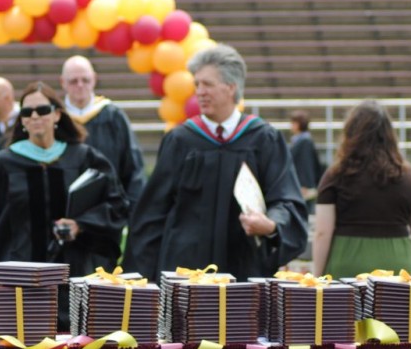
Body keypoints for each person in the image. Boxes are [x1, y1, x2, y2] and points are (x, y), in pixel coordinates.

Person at [122, 43, 309, 282]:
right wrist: (142, 279)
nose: (199, 91)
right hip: (184, 275)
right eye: (196, 84)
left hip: (244, 272)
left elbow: (286, 199)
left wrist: (272, 224)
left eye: (207, 84)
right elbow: (151, 215)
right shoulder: (181, 140)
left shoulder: (263, 139)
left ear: (231, 87)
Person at [0, 81, 130, 331]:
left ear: (57, 114)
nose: (35, 116)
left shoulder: (84, 158)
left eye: (43, 110)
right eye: (27, 112)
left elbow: (117, 205)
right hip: (19, 276)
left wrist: (80, 225)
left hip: (75, 274)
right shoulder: (5, 162)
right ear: (22, 120)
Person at [311, 100, 411, 278]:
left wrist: (317, 276)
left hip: (347, 260)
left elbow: (322, 232)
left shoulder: (335, 175)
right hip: (399, 263)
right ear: (390, 135)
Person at [60, 55, 146, 209]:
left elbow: (133, 167)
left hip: (109, 211)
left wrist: (132, 209)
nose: (80, 85)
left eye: (85, 80)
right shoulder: (56, 119)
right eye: (73, 81)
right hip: (64, 210)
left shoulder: (113, 116)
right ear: (63, 83)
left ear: (94, 79)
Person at [289, 109, 324, 214]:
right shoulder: (300, 141)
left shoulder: (305, 142)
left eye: (293, 123)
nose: (291, 126)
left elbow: (306, 165)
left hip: (304, 188)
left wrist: (305, 184)